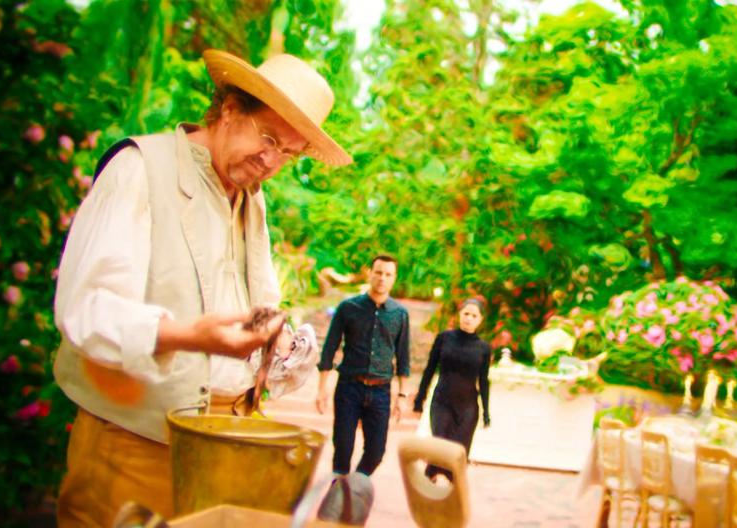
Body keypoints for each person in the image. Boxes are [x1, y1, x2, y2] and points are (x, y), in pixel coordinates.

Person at [51, 49, 350, 527]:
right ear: (230, 108)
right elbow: (86, 311)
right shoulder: (140, 169)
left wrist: (276, 338)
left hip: (223, 447)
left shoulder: (253, 201)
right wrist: (187, 336)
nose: (271, 162)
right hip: (131, 447)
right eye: (269, 138)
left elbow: (259, 305)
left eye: (288, 154)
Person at [316, 255, 411, 475]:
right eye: (378, 272)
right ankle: (339, 494)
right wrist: (322, 389)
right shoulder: (348, 308)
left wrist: (402, 396)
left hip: (381, 391)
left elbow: (403, 358)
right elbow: (329, 349)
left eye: (388, 274)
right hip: (349, 387)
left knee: (376, 452)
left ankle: (355, 485)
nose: (382, 278)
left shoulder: (400, 314)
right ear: (369, 273)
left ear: (394, 278)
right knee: (342, 448)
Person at [413, 298, 491, 481]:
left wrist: (487, 411)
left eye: (474, 315)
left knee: (457, 455)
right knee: (439, 448)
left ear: (480, 320)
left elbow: (484, 381)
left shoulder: (483, 348)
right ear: (459, 315)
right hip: (442, 402)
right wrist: (419, 398)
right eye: (466, 314)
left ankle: (452, 498)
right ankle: (428, 491)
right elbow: (430, 369)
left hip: (468, 407)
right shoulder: (444, 338)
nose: (469, 318)